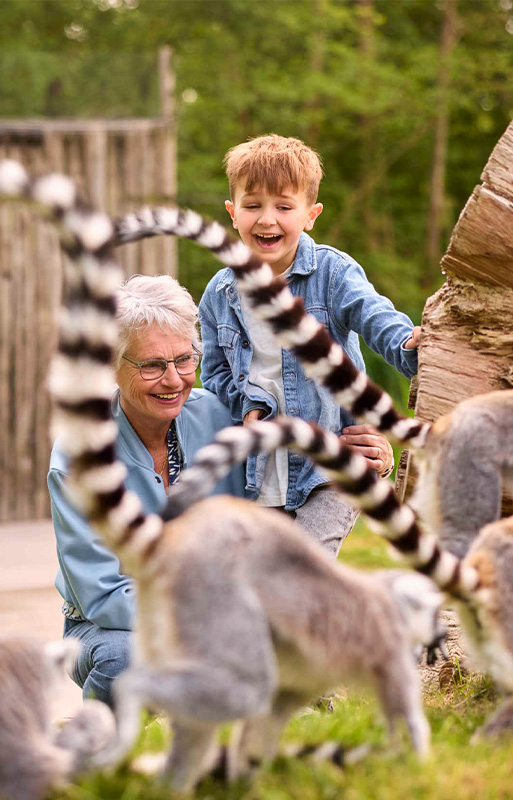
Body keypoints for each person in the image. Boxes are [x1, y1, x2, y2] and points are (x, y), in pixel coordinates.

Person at [198, 133, 419, 557]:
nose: (267, 220)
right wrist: (248, 406)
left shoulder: (332, 275)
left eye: (283, 206)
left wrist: (410, 344)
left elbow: (375, 316)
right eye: (253, 205)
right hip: (261, 471)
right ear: (232, 213)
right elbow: (214, 373)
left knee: (306, 565)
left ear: (311, 214)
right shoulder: (219, 294)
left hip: (332, 465)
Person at [48, 275, 246, 706]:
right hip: (109, 626)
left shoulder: (218, 416)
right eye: (153, 366)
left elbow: (290, 475)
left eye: (184, 360)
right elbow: (102, 594)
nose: (174, 380)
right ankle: (104, 743)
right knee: (126, 660)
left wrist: (374, 454)